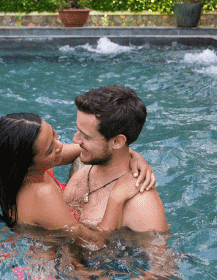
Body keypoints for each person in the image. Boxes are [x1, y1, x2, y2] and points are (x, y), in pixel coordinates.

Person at [0, 112, 155, 243]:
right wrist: (117, 198)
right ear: (27, 163)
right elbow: (95, 244)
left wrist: (135, 157)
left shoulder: (34, 168)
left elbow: (95, 149)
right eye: (50, 148)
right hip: (47, 270)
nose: (60, 145)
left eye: (54, 136)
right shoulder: (42, 193)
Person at [64, 85, 168, 232]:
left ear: (117, 142)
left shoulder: (143, 205)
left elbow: (160, 255)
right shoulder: (80, 163)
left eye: (86, 136)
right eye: (78, 130)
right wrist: (135, 155)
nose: (75, 140)